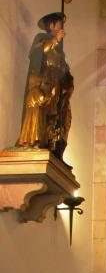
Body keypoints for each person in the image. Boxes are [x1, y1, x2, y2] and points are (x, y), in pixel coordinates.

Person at [15, 12, 74, 161]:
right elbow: (37, 53)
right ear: (52, 25)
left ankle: (52, 146)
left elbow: (64, 70)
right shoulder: (41, 38)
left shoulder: (60, 51)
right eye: (59, 25)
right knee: (40, 113)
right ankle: (36, 141)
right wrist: (54, 40)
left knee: (57, 119)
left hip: (55, 89)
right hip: (44, 84)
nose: (62, 29)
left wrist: (68, 82)